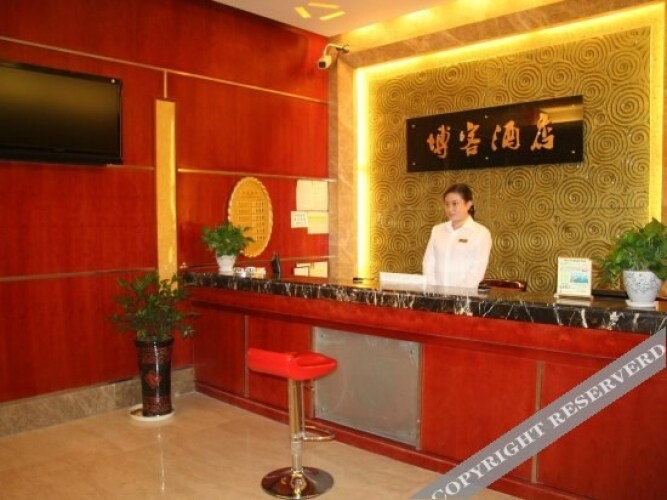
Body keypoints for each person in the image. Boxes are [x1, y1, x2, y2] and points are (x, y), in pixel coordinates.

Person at [422, 183, 492, 288]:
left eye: (455, 203)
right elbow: (428, 263)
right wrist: (434, 290)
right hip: (436, 294)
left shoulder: (481, 233)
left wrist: (457, 294)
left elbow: (477, 272)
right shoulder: (437, 230)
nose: (450, 209)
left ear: (468, 204)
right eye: (447, 204)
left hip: (465, 295)